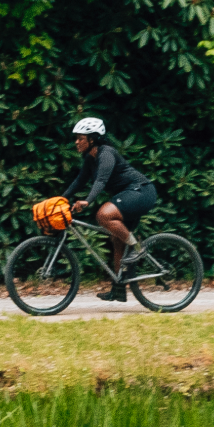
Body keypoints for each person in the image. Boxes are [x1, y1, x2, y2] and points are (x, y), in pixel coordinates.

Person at [62, 118, 157, 302]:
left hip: (141, 191)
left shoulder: (106, 154)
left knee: (103, 214)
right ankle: (119, 289)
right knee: (117, 240)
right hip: (128, 195)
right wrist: (60, 199)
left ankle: (136, 248)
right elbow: (79, 181)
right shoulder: (91, 158)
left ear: (93, 139)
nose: (76, 141)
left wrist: (88, 201)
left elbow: (101, 181)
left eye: (80, 138)